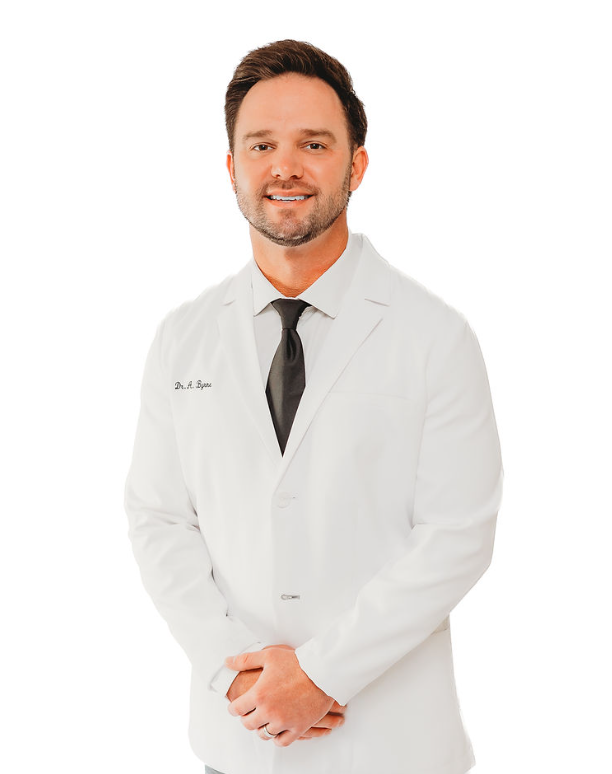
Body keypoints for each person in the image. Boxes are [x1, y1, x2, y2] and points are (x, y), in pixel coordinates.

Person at [125, 39, 503, 774]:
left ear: (356, 164)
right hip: (237, 739)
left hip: (391, 745)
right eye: (261, 144)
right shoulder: (184, 338)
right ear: (232, 169)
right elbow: (158, 518)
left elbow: (458, 536)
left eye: (314, 143)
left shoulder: (435, 336)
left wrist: (323, 673)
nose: (285, 166)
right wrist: (231, 670)